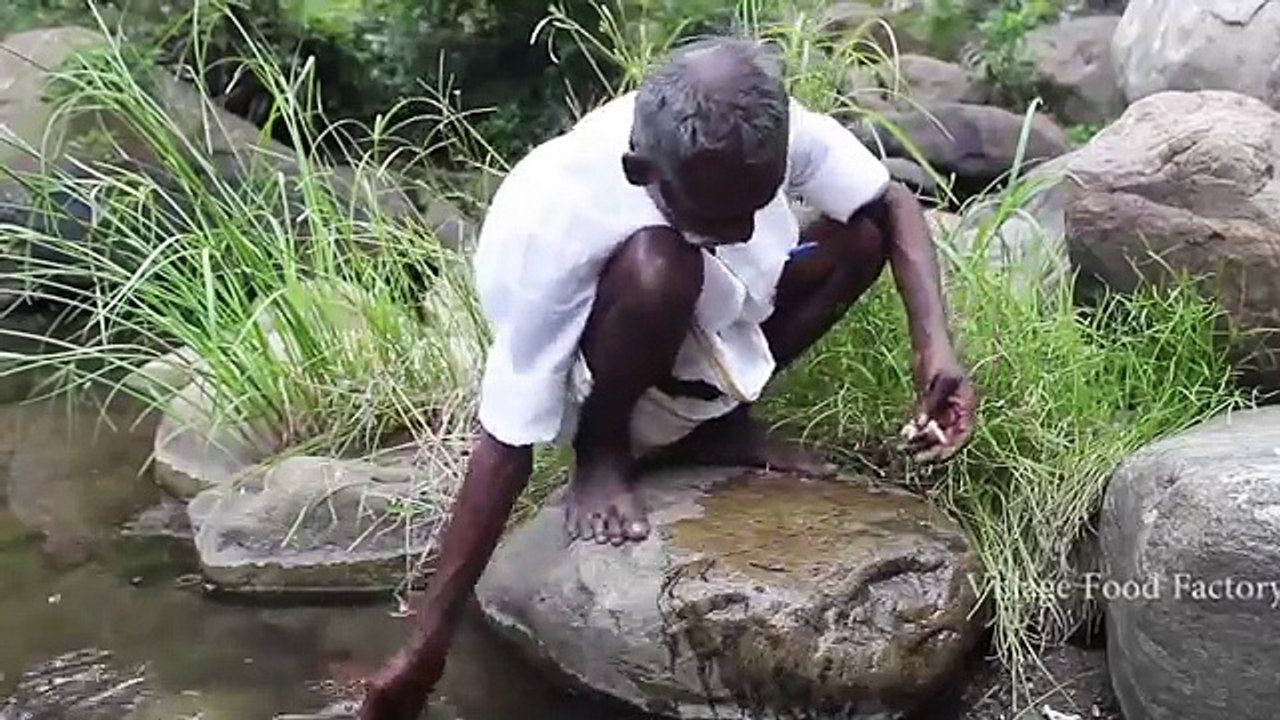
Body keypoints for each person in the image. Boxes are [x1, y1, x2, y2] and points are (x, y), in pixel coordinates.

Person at [358, 35, 977, 720]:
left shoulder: (753, 130)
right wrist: (425, 646)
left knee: (859, 236)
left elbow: (891, 201)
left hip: (719, 314)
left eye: (757, 204)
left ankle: (716, 424)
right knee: (662, 265)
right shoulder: (558, 221)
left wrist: (935, 350)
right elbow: (504, 443)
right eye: (719, 216)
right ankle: (605, 452)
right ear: (640, 172)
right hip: (604, 360)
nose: (744, 229)